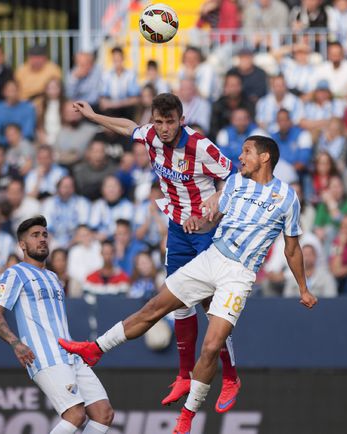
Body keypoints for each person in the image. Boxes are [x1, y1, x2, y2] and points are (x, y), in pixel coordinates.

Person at [59, 136, 318, 432]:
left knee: (211, 345)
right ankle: (95, 349)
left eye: (247, 151)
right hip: (212, 257)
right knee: (154, 307)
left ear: (265, 157)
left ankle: (187, 416)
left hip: (238, 275)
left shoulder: (287, 197)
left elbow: (292, 249)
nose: (240, 156)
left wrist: (303, 289)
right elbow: (213, 220)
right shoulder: (235, 183)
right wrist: (198, 222)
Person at [71, 93, 241, 408]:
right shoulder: (151, 135)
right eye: (159, 122)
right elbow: (129, 128)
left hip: (205, 234)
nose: (163, 128)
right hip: (177, 231)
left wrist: (216, 200)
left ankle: (230, 376)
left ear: (181, 120)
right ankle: (184, 375)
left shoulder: (199, 146)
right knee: (179, 303)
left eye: (169, 122)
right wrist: (93, 116)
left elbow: (235, 176)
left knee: (211, 309)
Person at [0, 216, 114, 434]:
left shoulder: (54, 278)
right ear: (22, 244)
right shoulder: (15, 273)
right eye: (35, 235)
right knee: (75, 414)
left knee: (104, 414)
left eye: (45, 235)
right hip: (44, 356)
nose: (42, 239)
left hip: (71, 354)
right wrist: (16, 343)